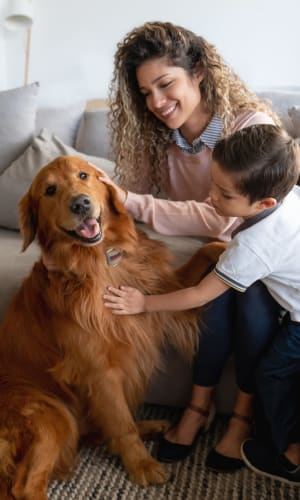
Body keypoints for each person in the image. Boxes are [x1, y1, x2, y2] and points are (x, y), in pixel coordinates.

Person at [98, 21, 282, 470]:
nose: (157, 103)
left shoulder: (248, 126)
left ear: (198, 72)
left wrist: (136, 203)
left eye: (165, 84)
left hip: (260, 260)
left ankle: (240, 416)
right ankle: (198, 408)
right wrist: (112, 251)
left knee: (251, 299)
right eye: (145, 93)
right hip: (207, 257)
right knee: (210, 294)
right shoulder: (153, 138)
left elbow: (225, 215)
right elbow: (130, 215)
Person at [103, 124, 300, 483]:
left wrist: (143, 302)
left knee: (275, 373)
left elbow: (199, 295)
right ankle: (210, 411)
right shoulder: (290, 197)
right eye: (212, 183)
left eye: (223, 194)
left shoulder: (254, 245)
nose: (210, 197)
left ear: (265, 204)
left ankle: (283, 451)